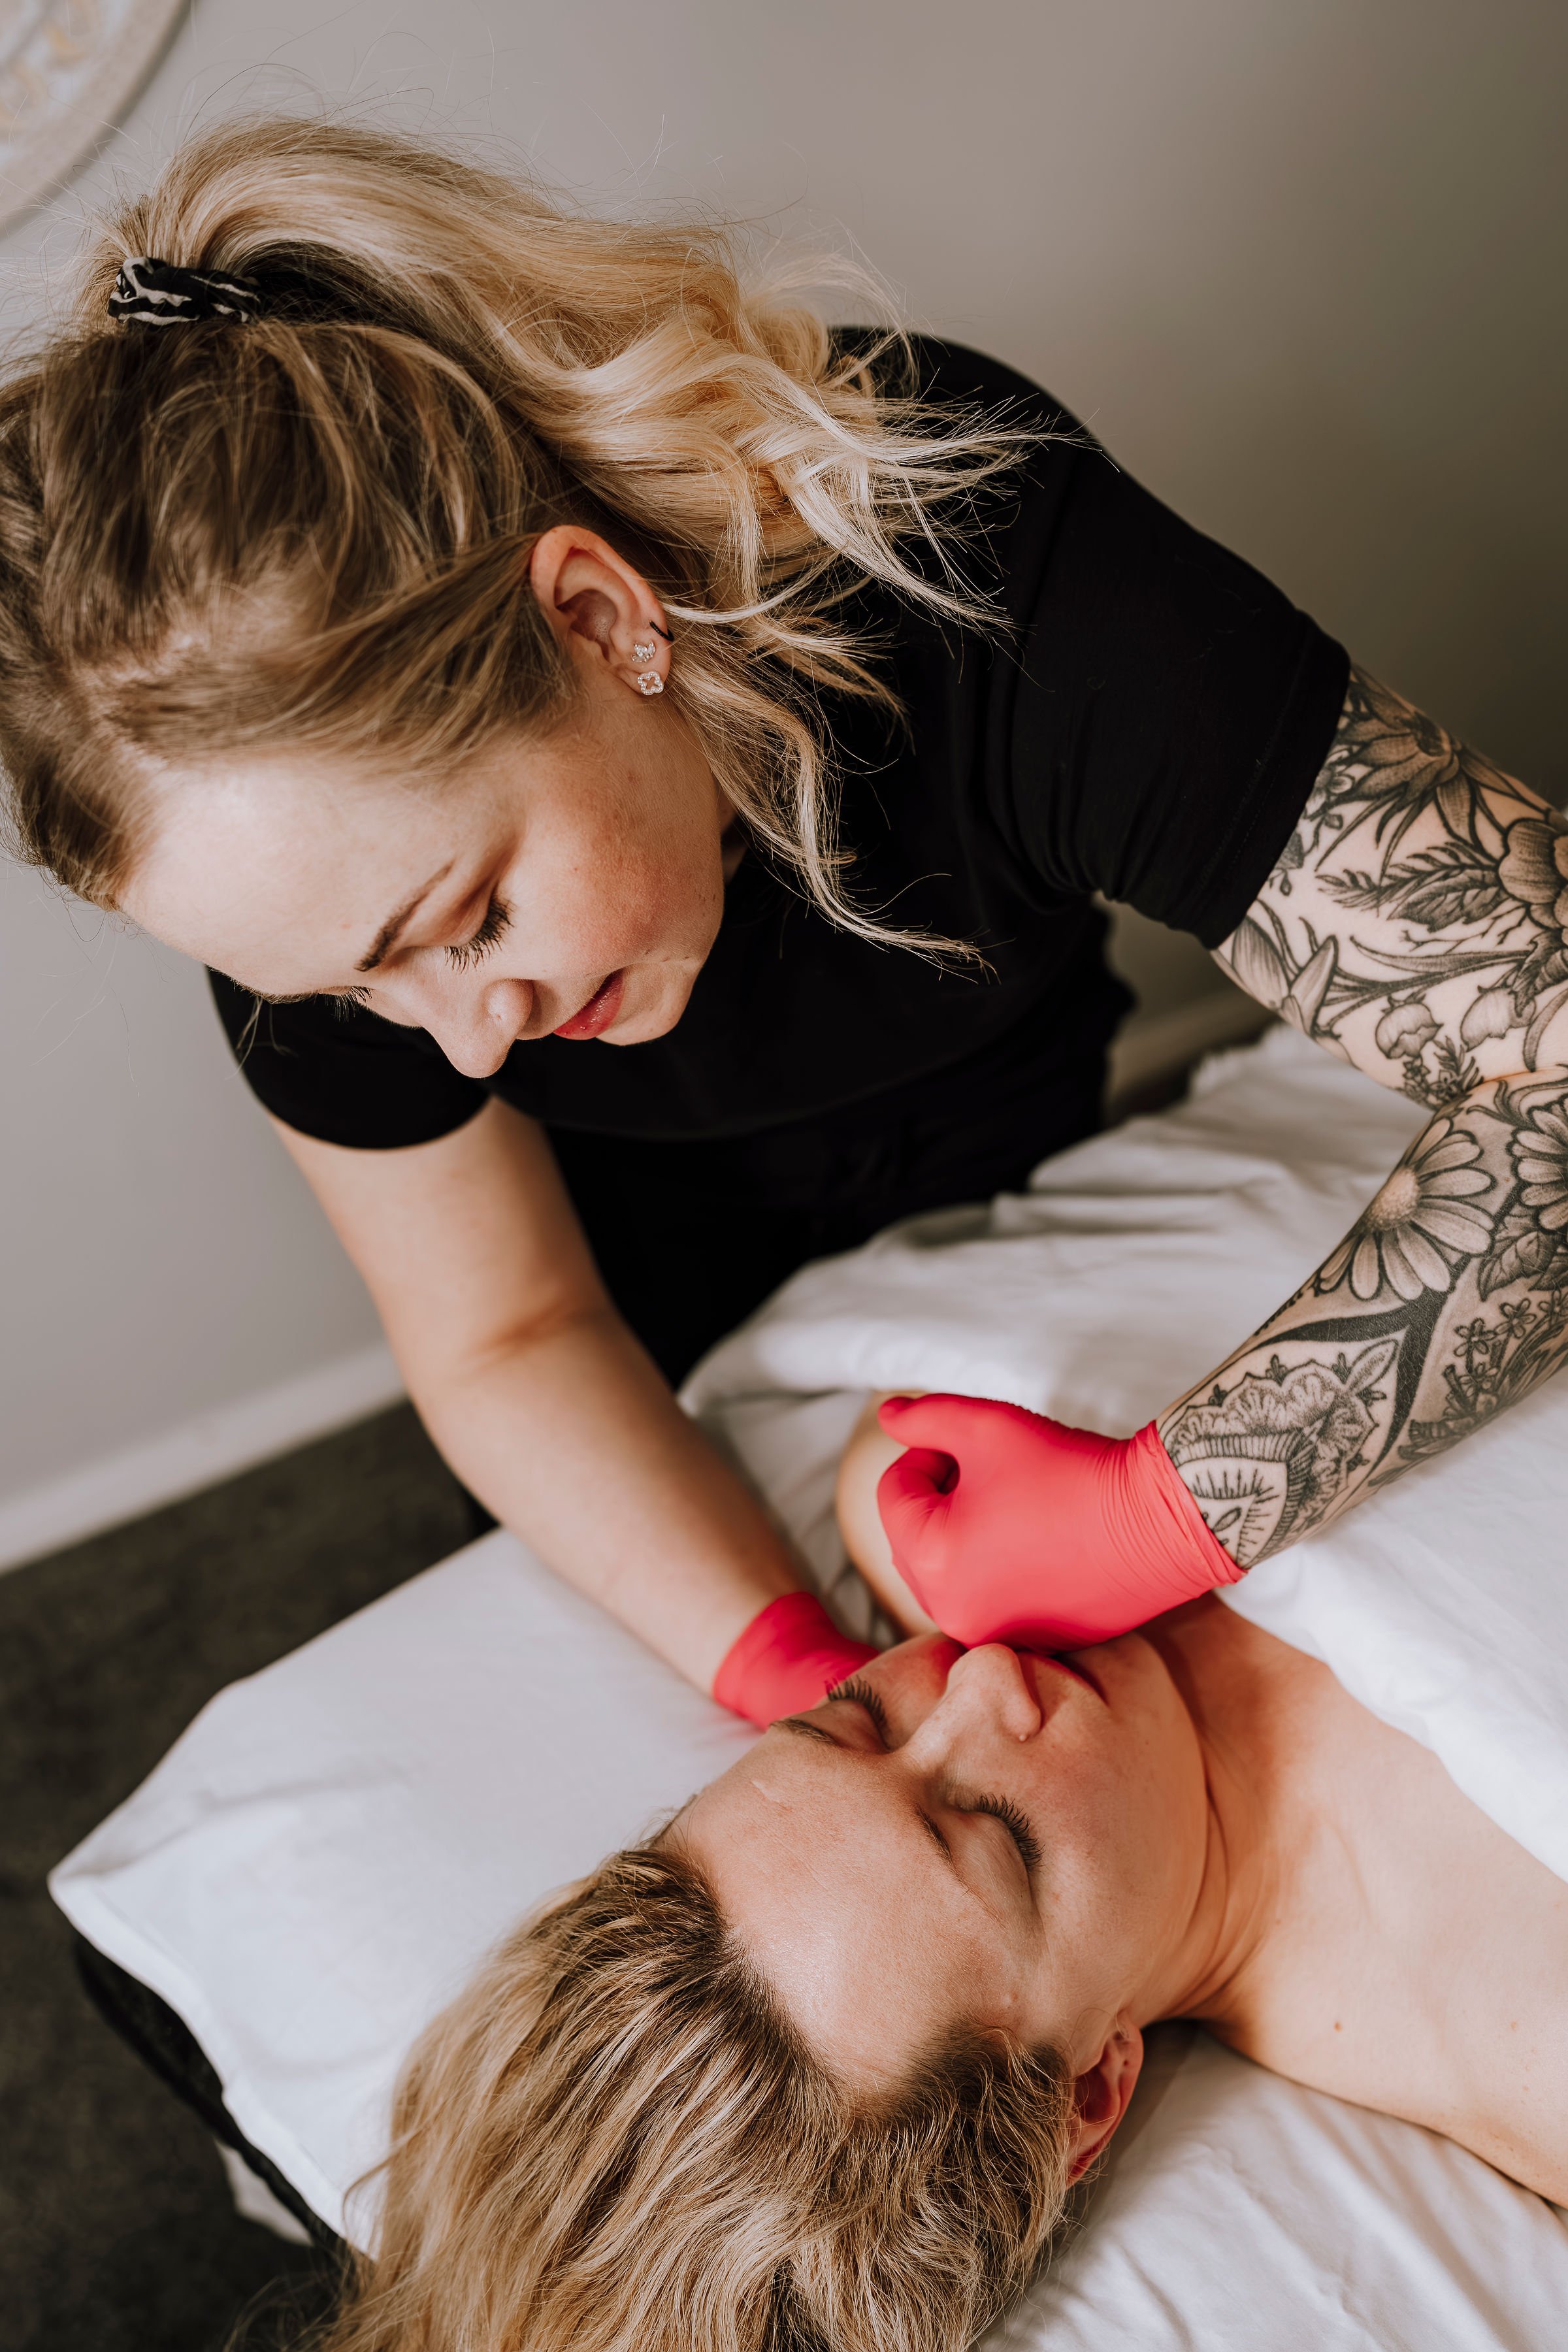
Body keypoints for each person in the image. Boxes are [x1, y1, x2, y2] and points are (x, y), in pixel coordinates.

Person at [5, 116, 1568, 1727]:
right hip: (629, 1312)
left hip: (1011, 1150)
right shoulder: (318, 899)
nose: (469, 1036)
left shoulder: (990, 568)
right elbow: (506, 1329)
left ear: (602, 619)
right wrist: (808, 1683)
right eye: (357, 991)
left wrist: (1171, 1510)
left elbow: (1560, 1046)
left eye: (471, 919)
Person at [302, 1402, 1568, 2352]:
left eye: (852, 1719)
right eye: (995, 1836)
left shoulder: (926, 1528)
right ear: (1085, 2096)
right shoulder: (1519, 2018)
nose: (975, 1682)